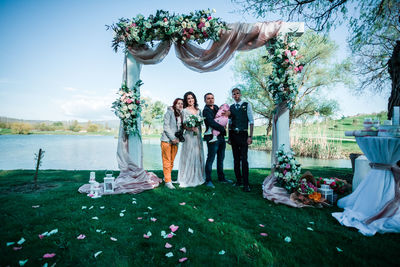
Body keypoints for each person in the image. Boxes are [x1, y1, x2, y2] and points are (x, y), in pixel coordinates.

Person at [203, 93, 232, 188]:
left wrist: (229, 113)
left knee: (221, 158)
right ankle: (208, 180)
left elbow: (224, 115)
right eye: (208, 99)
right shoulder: (206, 111)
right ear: (205, 100)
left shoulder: (216, 107)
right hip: (212, 137)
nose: (210, 100)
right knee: (210, 159)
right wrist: (223, 129)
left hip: (221, 137)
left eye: (212, 98)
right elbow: (211, 122)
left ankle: (221, 178)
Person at [177, 92, 205, 187]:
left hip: (197, 135)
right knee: (189, 154)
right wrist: (190, 128)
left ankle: (197, 175)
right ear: (186, 100)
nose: (190, 100)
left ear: (194, 99)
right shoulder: (184, 111)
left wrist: (198, 131)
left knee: (197, 154)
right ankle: (187, 177)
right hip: (189, 135)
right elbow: (183, 125)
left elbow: (201, 123)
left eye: (192, 98)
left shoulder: (199, 110)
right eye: (188, 98)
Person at [229, 88, 254, 192]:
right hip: (234, 135)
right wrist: (229, 137)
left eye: (237, 93)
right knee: (235, 159)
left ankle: (246, 183)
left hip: (243, 134)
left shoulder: (247, 105)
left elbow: (251, 121)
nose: (236, 95)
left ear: (241, 94)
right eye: (234, 94)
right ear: (232, 96)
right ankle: (238, 180)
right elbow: (229, 123)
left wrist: (250, 136)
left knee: (244, 160)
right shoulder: (231, 107)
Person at [160, 98, 184, 189]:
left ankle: (166, 177)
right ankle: (167, 182)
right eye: (178, 103)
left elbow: (180, 128)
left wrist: (178, 138)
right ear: (174, 104)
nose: (180, 105)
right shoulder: (169, 113)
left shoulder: (181, 115)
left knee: (172, 161)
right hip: (166, 140)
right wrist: (173, 138)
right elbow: (166, 127)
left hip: (176, 142)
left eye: (182, 103)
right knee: (166, 161)